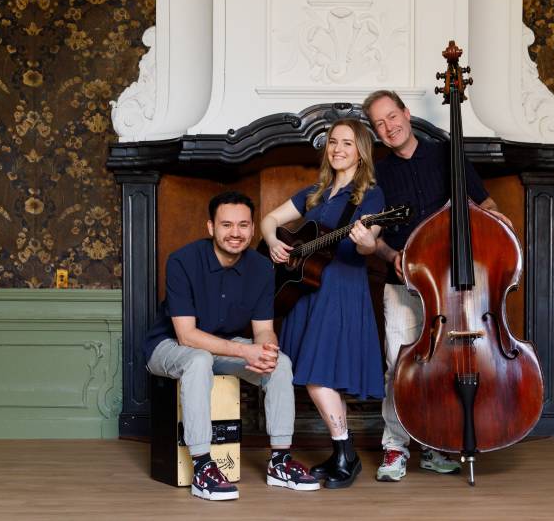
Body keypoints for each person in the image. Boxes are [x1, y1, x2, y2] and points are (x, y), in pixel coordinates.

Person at [362, 90, 513, 482]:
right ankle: (395, 448)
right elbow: (375, 240)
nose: (389, 127)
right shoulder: (377, 174)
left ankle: (434, 444)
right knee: (400, 367)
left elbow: (485, 205)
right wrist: (389, 256)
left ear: (406, 113)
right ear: (375, 132)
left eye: (392, 116)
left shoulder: (447, 155)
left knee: (445, 366)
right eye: (379, 123)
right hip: (404, 284)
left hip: (456, 288)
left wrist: (497, 220)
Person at [143, 191, 320, 501]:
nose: (235, 233)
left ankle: (280, 461)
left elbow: (263, 331)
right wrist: (245, 351)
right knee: (198, 359)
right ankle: (202, 467)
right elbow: (186, 336)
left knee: (280, 363)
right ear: (211, 227)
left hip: (223, 346)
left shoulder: (262, 268)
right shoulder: (182, 261)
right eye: (226, 225)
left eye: (243, 225)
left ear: (252, 229)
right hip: (168, 345)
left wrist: (266, 350)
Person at [261, 118, 385, 489]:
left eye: (347, 143)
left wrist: (366, 242)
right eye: (333, 142)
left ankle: (346, 453)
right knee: (320, 374)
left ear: (361, 152)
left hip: (341, 292)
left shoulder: (371, 196)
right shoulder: (315, 192)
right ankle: (342, 455)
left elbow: (369, 245)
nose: (338, 149)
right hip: (307, 290)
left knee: (318, 377)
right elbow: (270, 219)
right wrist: (274, 242)